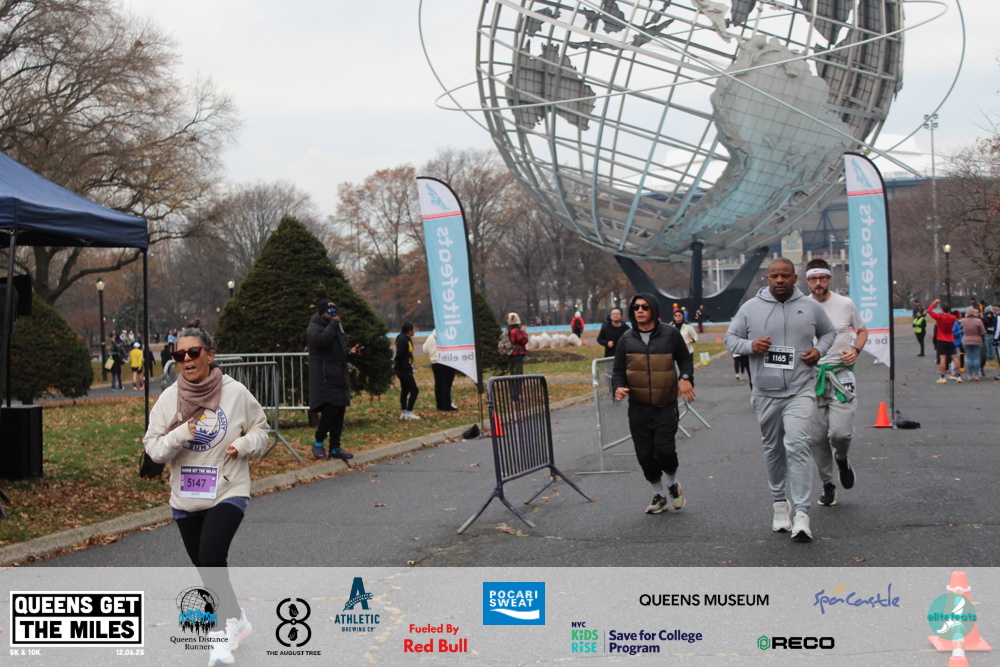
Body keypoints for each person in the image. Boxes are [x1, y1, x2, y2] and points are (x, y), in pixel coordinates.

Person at [143, 324, 267, 666]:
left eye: (193, 352)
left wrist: (243, 444)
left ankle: (220, 638)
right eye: (179, 354)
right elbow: (153, 449)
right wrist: (181, 433)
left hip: (228, 489)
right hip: (185, 497)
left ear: (210, 356)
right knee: (205, 565)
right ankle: (237, 617)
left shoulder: (235, 393)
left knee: (212, 557)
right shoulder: (169, 399)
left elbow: (261, 430)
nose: (186, 359)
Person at [724, 258, 835, 542]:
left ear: (795, 278)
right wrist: (751, 345)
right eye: (774, 276)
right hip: (765, 391)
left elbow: (829, 332)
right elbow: (730, 339)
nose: (779, 280)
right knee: (773, 449)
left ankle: (802, 513)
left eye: (785, 275)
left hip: (800, 387)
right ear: (768, 278)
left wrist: (819, 351)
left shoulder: (810, 307)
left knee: (798, 445)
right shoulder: (750, 308)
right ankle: (779, 504)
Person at [612, 293, 695, 515]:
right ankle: (659, 495)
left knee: (664, 451)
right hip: (638, 408)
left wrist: (685, 378)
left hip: (665, 404)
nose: (640, 310)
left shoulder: (670, 334)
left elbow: (685, 359)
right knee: (645, 456)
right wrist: (618, 387)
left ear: (654, 310)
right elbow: (618, 371)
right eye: (636, 307)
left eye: (645, 307)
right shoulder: (626, 339)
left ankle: (673, 484)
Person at [804, 259, 868, 508]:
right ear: (807, 281)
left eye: (822, 278)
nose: (818, 283)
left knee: (841, 433)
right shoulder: (801, 306)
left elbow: (862, 331)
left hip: (841, 375)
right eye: (813, 279)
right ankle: (828, 484)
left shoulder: (845, 304)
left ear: (829, 279)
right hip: (812, 377)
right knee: (817, 437)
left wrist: (855, 350)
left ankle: (841, 458)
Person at [306, 298, 359, 461]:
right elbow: (321, 342)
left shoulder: (335, 327)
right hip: (324, 377)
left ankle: (335, 447)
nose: (334, 315)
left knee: (339, 411)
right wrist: (334, 324)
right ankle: (318, 442)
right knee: (331, 410)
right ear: (322, 313)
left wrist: (349, 352)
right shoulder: (314, 327)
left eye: (335, 312)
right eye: (330, 312)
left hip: (339, 375)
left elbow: (338, 347)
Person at [423, 329, 458, 411]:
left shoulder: (430, 337)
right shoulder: (447, 336)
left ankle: (440, 404)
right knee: (446, 385)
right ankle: (447, 405)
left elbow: (425, 349)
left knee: (438, 385)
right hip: (446, 362)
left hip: (435, 363)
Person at [927, 299, 960, 383]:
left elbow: (929, 311)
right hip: (950, 338)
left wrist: (934, 303)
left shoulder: (940, 317)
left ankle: (942, 376)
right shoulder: (953, 318)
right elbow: (958, 315)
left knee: (942, 358)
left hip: (941, 339)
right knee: (954, 357)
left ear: (942, 309)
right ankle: (958, 375)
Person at [395, 322, 420, 420]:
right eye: (413, 329)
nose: (414, 331)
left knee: (405, 390)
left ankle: (404, 412)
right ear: (409, 331)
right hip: (404, 369)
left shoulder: (404, 338)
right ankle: (409, 411)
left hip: (406, 367)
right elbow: (399, 355)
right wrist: (396, 365)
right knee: (414, 390)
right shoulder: (403, 340)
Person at [960, 308, 986, 381]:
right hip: (977, 340)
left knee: (969, 358)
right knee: (976, 358)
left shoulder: (963, 321)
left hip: (966, 340)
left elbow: (961, 329)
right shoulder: (978, 321)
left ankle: (970, 375)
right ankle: (976, 375)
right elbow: (983, 332)